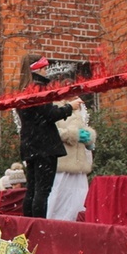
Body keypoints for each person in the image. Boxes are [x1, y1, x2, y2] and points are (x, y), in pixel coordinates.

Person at [16, 54, 83, 218]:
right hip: (44, 145)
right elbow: (49, 114)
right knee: (42, 191)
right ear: (37, 69)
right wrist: (70, 107)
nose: (47, 72)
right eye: (45, 68)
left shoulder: (23, 90)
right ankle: (39, 227)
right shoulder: (38, 89)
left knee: (31, 189)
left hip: (29, 144)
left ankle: (28, 226)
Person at [46, 73, 97, 221]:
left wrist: (88, 137)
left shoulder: (80, 109)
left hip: (79, 162)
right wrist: (73, 135)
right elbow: (53, 131)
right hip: (62, 161)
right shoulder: (55, 107)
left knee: (79, 198)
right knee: (58, 197)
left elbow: (84, 128)